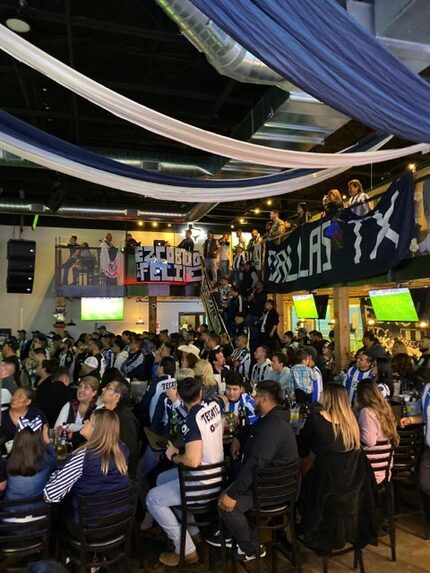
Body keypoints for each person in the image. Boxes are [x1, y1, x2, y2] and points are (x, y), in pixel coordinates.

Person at [209, 380, 298, 562]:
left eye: (256, 396)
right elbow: (252, 429)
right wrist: (238, 438)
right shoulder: (273, 419)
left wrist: (233, 495)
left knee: (225, 506)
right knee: (231, 476)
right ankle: (228, 531)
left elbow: (255, 464)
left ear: (264, 399)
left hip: (271, 490)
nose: (253, 399)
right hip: (273, 484)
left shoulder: (272, 428)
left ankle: (252, 548)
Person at [146, 377, 224, 567]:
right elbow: (221, 401)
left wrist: (174, 456)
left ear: (180, 395)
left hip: (202, 485)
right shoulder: (212, 404)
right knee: (161, 479)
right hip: (217, 476)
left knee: (152, 499)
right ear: (201, 393)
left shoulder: (191, 421)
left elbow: (192, 460)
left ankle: (186, 550)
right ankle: (193, 532)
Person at [43, 409, 131, 517]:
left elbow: (51, 495)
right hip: (118, 517)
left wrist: (52, 475)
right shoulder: (122, 449)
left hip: (87, 523)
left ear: (96, 430)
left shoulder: (84, 456)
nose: (85, 422)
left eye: (89, 420)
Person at [356, 379, 399, 484]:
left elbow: (370, 441)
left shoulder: (367, 412)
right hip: (385, 470)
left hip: (370, 471)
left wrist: (355, 433)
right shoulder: (386, 410)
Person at [5, 420, 56, 501]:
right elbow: (54, 459)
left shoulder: (9, 461)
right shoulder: (46, 460)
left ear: (17, 442)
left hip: (11, 510)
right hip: (38, 510)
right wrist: (47, 440)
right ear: (39, 441)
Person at [100, 379, 141, 478]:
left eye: (108, 388)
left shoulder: (125, 419)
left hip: (117, 473)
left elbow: (129, 453)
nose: (103, 389)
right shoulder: (105, 412)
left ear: (116, 396)